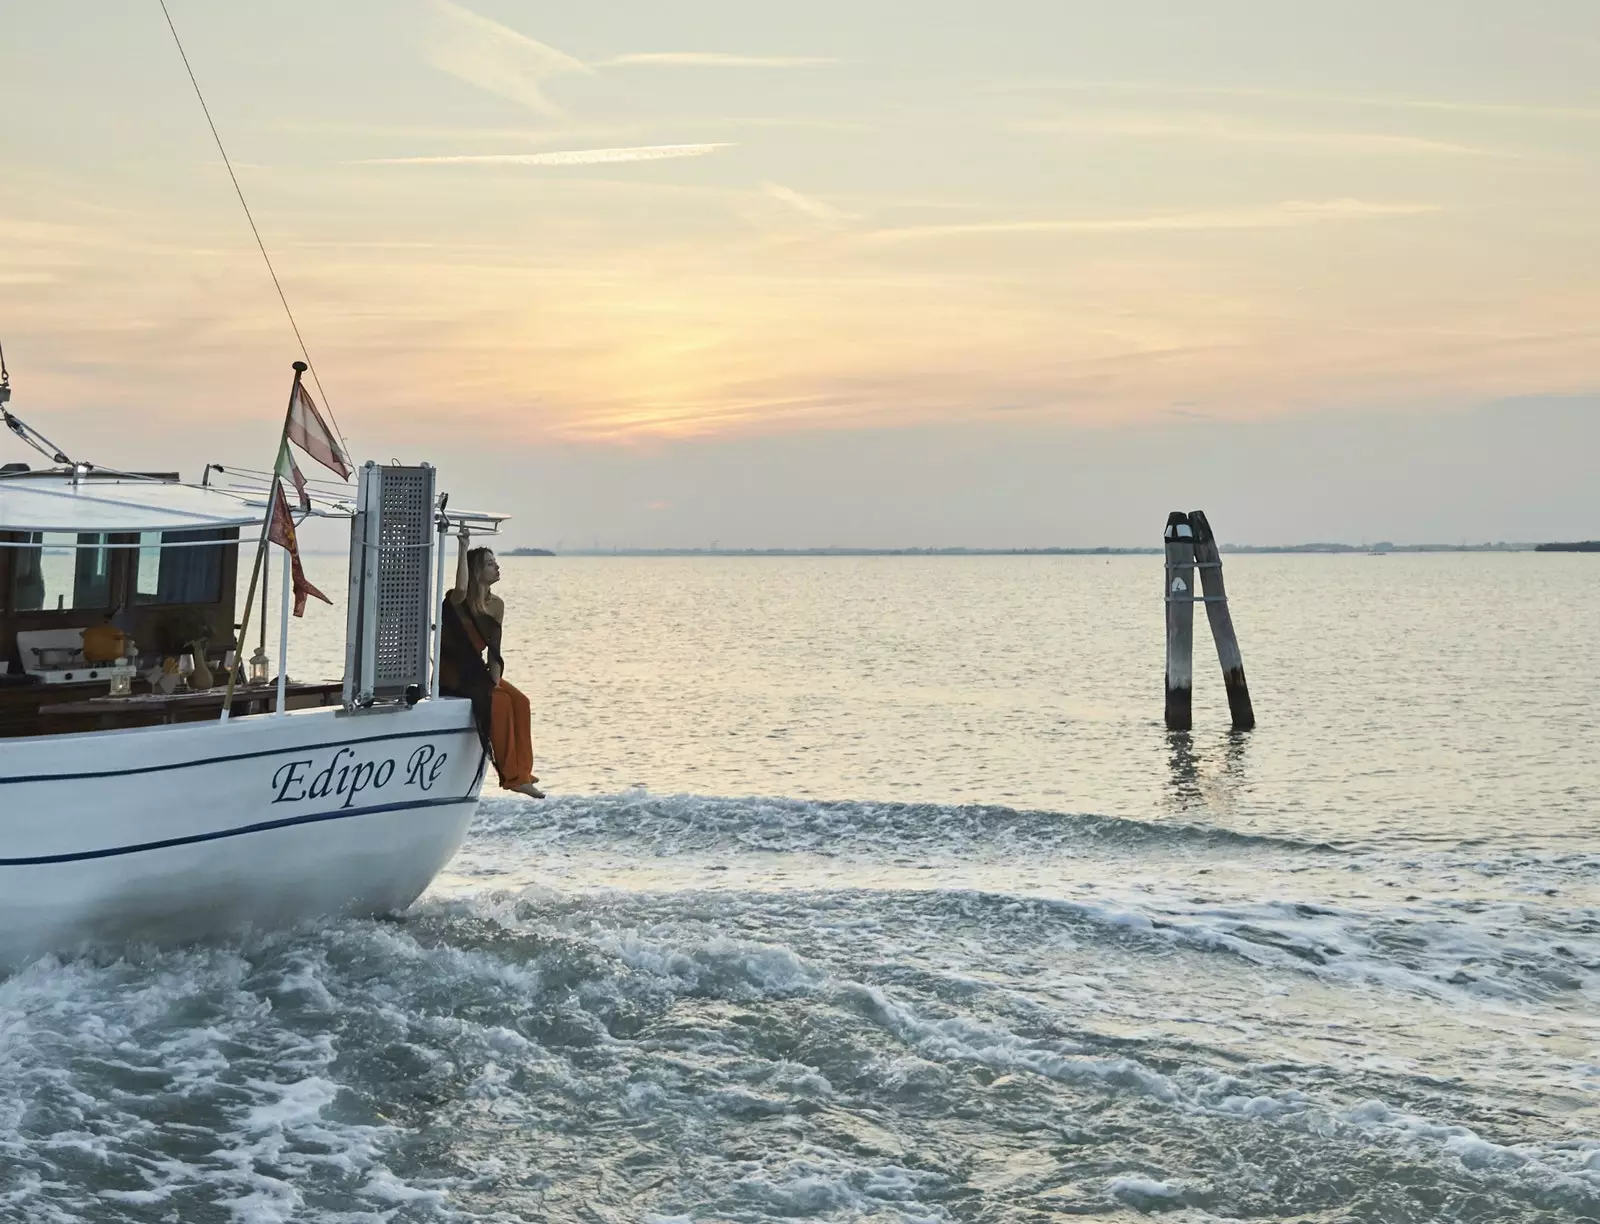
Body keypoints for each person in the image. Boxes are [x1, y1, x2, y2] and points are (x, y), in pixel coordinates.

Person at [439, 528, 544, 799]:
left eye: (495, 562)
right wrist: (464, 547)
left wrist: (495, 681)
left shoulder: (497, 605)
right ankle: (512, 777)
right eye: (489, 563)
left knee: (520, 701)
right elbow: (462, 587)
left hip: (479, 673)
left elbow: (495, 651)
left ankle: (524, 770)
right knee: (500, 704)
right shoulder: (457, 598)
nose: (497, 566)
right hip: (455, 675)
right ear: (476, 571)